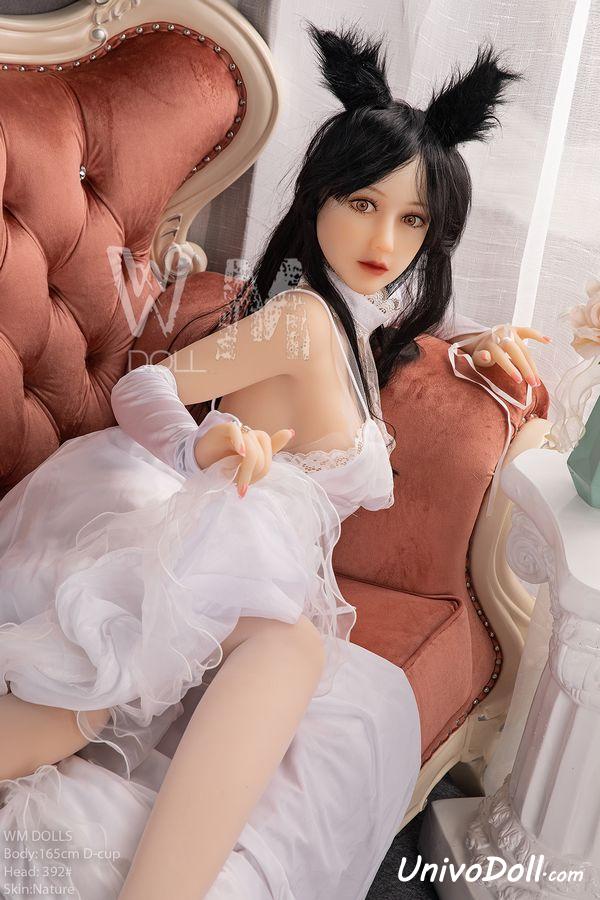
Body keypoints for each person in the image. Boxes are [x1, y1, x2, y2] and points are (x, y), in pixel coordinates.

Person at [0, 22, 550, 900]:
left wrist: (477, 344)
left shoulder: (349, 325)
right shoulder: (298, 320)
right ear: (321, 196)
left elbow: (385, 327)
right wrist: (198, 443)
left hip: (257, 562)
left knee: (252, 668)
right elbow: (144, 388)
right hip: (213, 527)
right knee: (95, 695)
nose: (383, 238)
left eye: (412, 219)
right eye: (362, 204)